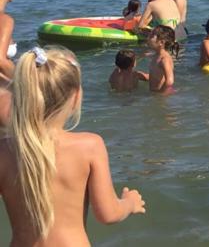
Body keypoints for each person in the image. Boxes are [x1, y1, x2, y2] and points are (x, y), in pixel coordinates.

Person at [0, 47, 145, 245]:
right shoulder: (89, 146)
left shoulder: (4, 151)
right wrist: (130, 203)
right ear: (76, 97)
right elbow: (108, 214)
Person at [147, 26, 176, 93]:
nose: (148, 38)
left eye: (151, 36)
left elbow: (170, 81)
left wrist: (160, 95)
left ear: (161, 42)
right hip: (155, 93)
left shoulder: (164, 59)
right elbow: (156, 75)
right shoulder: (156, 55)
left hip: (162, 96)